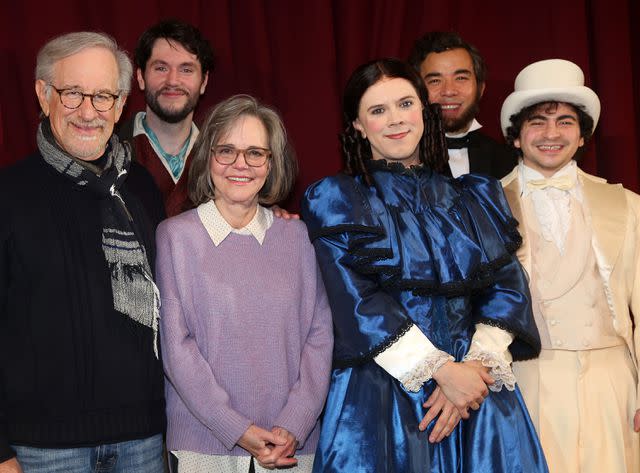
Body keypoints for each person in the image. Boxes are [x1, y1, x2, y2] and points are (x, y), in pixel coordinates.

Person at [302, 58, 547, 473]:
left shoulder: (474, 196)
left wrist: (473, 370)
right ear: (359, 125)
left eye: (405, 104)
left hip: (478, 391)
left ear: (423, 110)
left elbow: (507, 287)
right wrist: (440, 372)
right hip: (384, 394)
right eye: (377, 111)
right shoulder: (339, 198)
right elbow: (356, 301)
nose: (395, 120)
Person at [0, 32, 165, 473]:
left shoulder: (143, 189)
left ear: (122, 102)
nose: (89, 112)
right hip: (42, 451)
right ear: (43, 93)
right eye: (73, 94)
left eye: (104, 96)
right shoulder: (8, 194)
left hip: (143, 441)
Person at [156, 94, 333, 473]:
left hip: (291, 448)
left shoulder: (298, 237)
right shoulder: (175, 237)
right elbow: (177, 349)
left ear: (272, 163)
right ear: (207, 158)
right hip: (203, 449)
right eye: (227, 151)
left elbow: (319, 338)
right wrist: (237, 429)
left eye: (256, 153)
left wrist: (294, 424)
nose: (241, 164)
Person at [500, 58, 640, 472]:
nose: (550, 134)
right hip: (525, 377)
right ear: (515, 135)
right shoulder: (484, 206)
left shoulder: (627, 205)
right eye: (537, 122)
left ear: (582, 136)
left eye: (564, 122)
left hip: (611, 380)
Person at [118, 19, 214, 216]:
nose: (173, 81)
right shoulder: (105, 150)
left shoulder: (223, 157)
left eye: (186, 69)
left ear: (204, 81)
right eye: (161, 68)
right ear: (140, 77)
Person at [408, 32, 516, 178]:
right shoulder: (397, 157)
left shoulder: (508, 160)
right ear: (416, 90)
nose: (449, 91)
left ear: (481, 89)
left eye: (461, 78)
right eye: (435, 81)